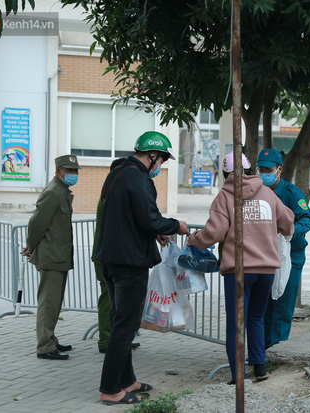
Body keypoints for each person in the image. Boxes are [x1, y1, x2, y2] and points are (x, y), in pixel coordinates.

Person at [95, 131, 189, 406]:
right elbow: (150, 218)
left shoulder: (118, 173)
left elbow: (131, 218)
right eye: (161, 159)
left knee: (120, 322)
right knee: (125, 327)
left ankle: (127, 381)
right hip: (129, 263)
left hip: (112, 259)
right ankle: (111, 389)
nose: (160, 165)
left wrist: (154, 233)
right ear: (151, 156)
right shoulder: (138, 178)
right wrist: (175, 226)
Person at [188, 152, 294, 384]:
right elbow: (287, 222)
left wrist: (194, 238)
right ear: (248, 170)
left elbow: (213, 233)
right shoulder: (268, 193)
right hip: (266, 270)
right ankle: (259, 369)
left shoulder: (225, 197)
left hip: (238, 272)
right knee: (256, 318)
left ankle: (238, 376)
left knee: (236, 322)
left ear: (226, 173)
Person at [20, 155, 81, 361]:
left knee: (54, 301)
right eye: (69, 171)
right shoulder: (53, 192)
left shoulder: (62, 191)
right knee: (48, 301)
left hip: (59, 255)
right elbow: (37, 223)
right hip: (51, 256)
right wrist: (31, 246)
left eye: (75, 171)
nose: (73, 174)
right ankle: (44, 346)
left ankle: (50, 339)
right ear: (58, 171)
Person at [256, 149, 310, 349]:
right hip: (264, 256)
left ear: (279, 169)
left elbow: (307, 219)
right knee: (263, 306)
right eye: (260, 169)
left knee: (283, 305)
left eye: (267, 170)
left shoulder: (291, 193)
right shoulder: (255, 192)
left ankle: (278, 351)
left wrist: (289, 232)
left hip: (291, 256)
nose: (263, 174)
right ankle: (261, 351)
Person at [91, 158, 141, 354]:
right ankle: (107, 339)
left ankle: (116, 338)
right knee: (108, 299)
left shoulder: (111, 193)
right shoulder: (110, 196)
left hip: (107, 253)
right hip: (106, 254)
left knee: (116, 301)